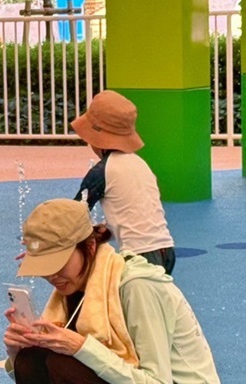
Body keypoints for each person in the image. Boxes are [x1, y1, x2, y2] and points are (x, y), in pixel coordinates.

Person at [3, 199, 225, 384]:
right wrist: (17, 351)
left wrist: (83, 348)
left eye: (57, 263)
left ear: (89, 247)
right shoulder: (76, 288)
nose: (52, 276)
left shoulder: (136, 286)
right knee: (32, 362)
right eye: (43, 267)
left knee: (68, 363)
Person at [72, 90, 177, 275]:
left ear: (95, 139)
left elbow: (72, 215)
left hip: (140, 256)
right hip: (166, 249)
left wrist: (43, 245)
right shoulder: (139, 164)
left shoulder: (101, 171)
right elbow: (133, 215)